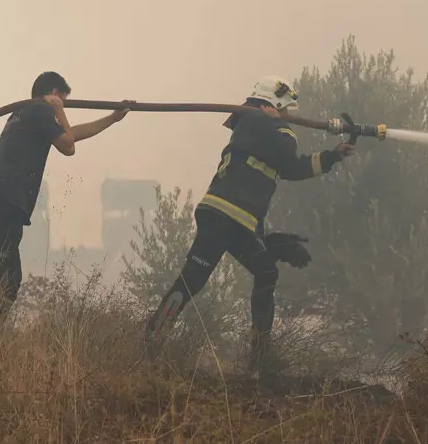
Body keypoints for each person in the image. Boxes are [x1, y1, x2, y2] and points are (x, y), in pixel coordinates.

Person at [143, 75, 355, 375]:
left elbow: (292, 169)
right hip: (223, 215)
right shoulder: (254, 121)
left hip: (239, 221)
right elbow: (286, 149)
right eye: (285, 110)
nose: (288, 116)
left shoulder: (262, 129)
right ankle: (153, 336)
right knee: (193, 279)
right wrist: (277, 122)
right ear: (273, 103)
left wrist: (333, 156)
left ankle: (259, 356)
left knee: (266, 271)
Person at [0, 71, 132, 324]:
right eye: (61, 99)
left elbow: (71, 134)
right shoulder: (40, 111)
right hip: (2, 204)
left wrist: (112, 119)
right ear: (54, 94)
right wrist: (59, 110)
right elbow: (68, 146)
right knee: (10, 280)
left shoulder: (25, 113)